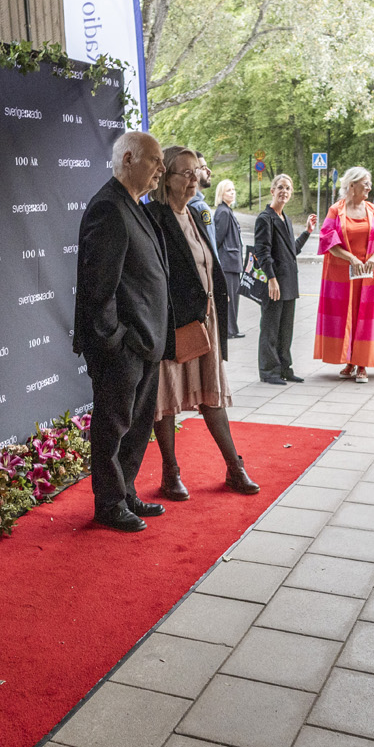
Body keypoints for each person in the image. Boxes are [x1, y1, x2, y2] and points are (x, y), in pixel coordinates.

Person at [149, 146, 261, 499]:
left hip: (205, 320)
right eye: (185, 172)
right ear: (167, 178)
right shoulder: (154, 217)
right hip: (174, 324)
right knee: (166, 396)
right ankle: (170, 473)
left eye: (195, 171)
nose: (194, 178)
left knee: (212, 395)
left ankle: (234, 467)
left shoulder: (196, 215)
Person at [74, 130, 171, 532]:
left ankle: (125, 492)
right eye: (155, 161)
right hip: (123, 348)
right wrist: (117, 344)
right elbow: (99, 289)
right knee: (112, 427)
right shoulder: (108, 208)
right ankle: (109, 503)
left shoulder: (135, 205)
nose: (161, 170)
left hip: (145, 343)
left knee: (136, 427)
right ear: (128, 159)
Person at [314, 166, 374, 383]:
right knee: (346, 315)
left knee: (365, 315)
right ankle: (349, 360)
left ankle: (362, 364)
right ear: (352, 185)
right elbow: (327, 240)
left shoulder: (373, 210)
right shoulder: (335, 210)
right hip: (343, 274)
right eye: (365, 182)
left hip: (369, 273)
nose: (369, 187)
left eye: (369, 182)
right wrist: (352, 258)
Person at [254, 173, 317, 384]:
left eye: (288, 188)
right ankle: (269, 371)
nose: (284, 191)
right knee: (270, 329)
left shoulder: (285, 219)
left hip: (289, 283)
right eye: (280, 187)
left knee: (285, 330)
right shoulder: (265, 218)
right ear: (272, 191)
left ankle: (284, 367)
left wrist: (307, 232)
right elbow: (262, 252)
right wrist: (271, 279)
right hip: (275, 283)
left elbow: (292, 251)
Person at [210, 179, 246, 339]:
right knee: (229, 299)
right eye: (228, 190)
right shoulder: (223, 212)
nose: (232, 192)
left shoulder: (227, 211)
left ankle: (232, 328)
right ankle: (230, 330)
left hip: (232, 262)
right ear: (221, 194)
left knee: (233, 298)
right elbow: (217, 239)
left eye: (233, 189)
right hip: (227, 263)